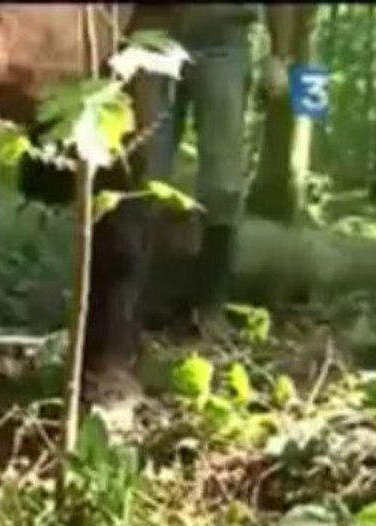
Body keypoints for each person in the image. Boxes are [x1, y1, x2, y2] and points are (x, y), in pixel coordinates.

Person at [143, 4, 297, 334]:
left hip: (224, 38)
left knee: (223, 180)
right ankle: (138, 302)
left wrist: (280, 56)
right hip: (153, 32)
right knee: (146, 169)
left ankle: (211, 306)